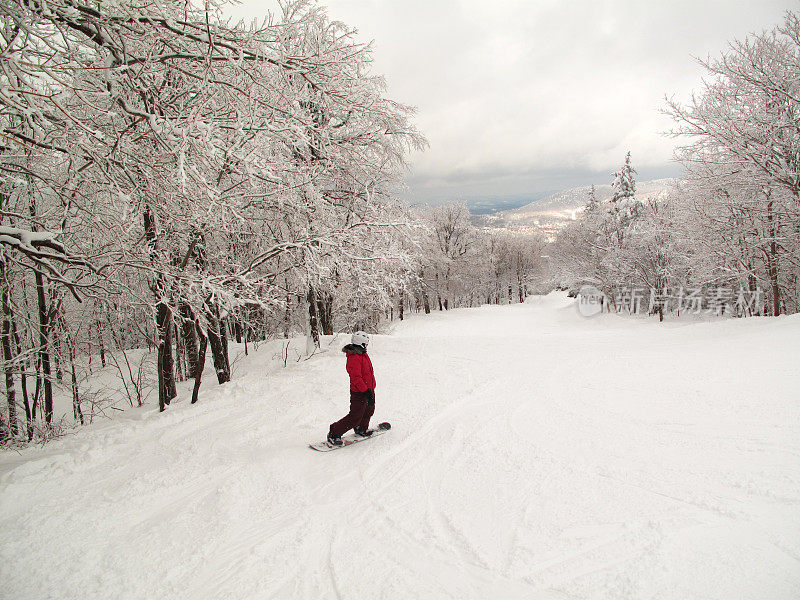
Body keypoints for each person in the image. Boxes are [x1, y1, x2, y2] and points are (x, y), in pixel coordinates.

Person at [327, 331, 376, 446]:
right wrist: (366, 391)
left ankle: (361, 428)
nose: (366, 347)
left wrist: (370, 390)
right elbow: (356, 378)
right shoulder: (354, 357)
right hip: (359, 392)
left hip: (369, 390)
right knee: (355, 416)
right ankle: (334, 432)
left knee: (369, 410)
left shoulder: (363, 354)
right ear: (361, 344)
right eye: (365, 344)